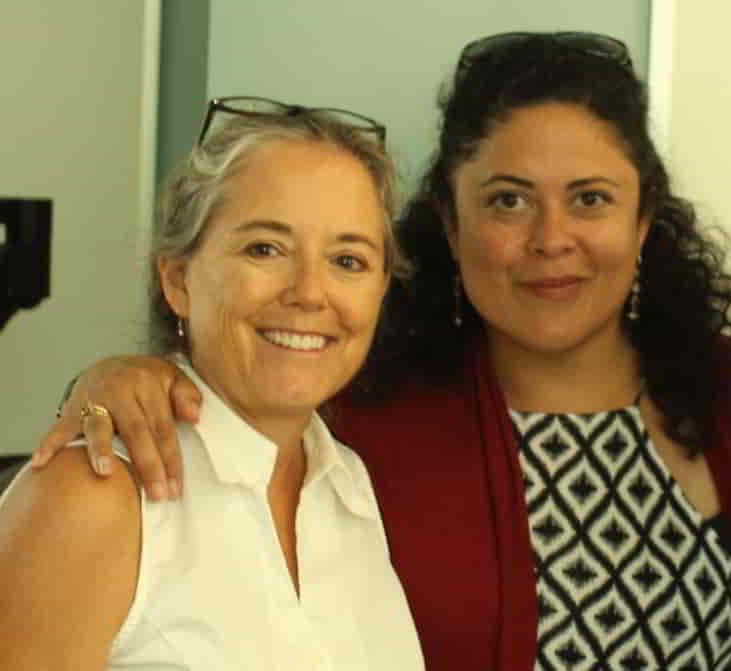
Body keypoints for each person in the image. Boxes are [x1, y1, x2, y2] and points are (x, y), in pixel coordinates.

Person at [35, 35, 731, 671]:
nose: (551, 239)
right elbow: (239, 384)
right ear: (448, 231)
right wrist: (116, 374)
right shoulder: (363, 420)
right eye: (506, 200)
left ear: (646, 222)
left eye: (590, 199)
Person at [0, 99, 426, 670]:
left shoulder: (349, 488)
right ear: (177, 280)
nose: (308, 292)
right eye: (265, 249)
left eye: (347, 260)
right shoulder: (93, 495)